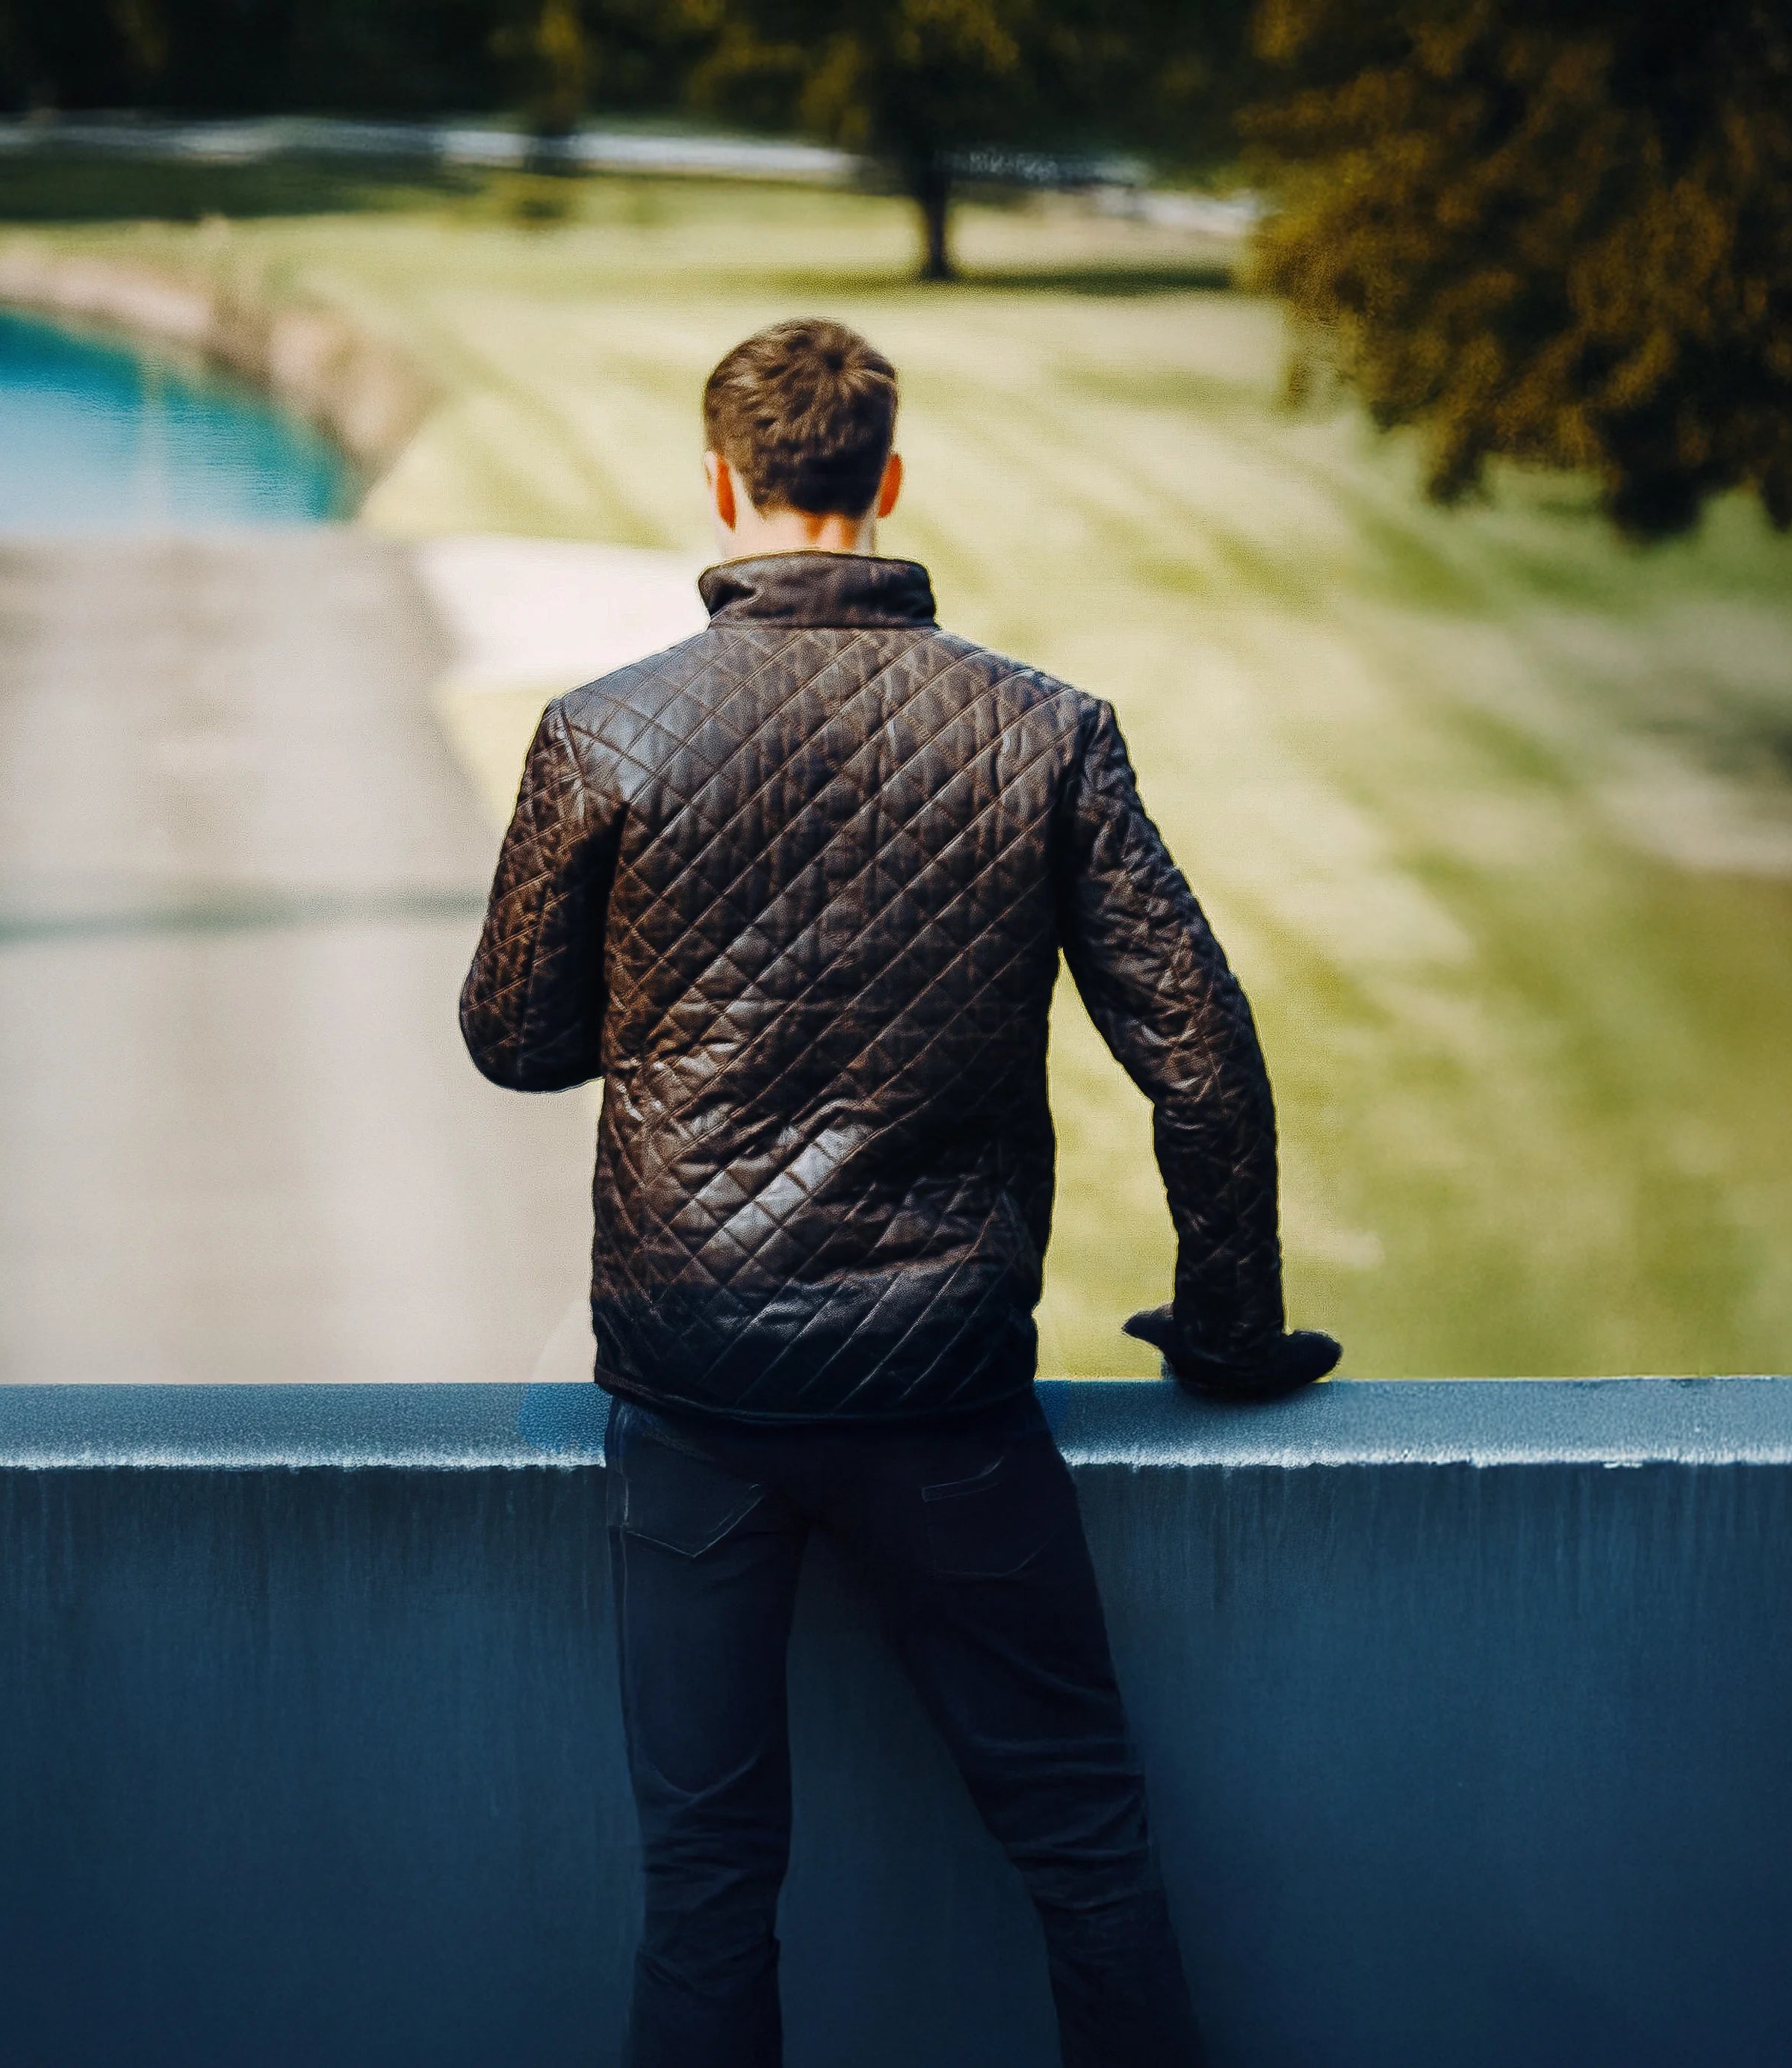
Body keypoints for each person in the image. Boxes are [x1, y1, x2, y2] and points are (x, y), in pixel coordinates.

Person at [459, 318, 1340, 2068]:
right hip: (941, 1386)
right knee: (1085, 1854)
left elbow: (515, 1040)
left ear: (722, 479)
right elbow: (1200, 1050)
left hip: (692, 1387)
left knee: (708, 1884)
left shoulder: (602, 732)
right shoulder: (1048, 729)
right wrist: (1227, 1324)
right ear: (887, 477)